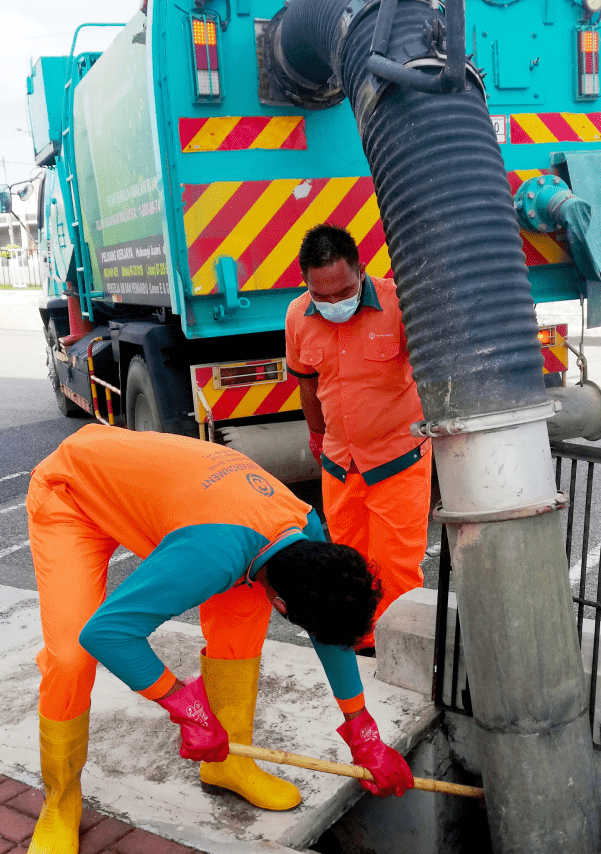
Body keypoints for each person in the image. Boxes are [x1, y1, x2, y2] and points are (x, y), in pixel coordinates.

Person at [26, 425, 413, 854]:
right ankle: (60, 799)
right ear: (283, 605)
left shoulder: (304, 526)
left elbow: (330, 630)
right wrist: (188, 708)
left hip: (171, 497)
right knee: (71, 659)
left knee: (240, 627)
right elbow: (106, 633)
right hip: (72, 492)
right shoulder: (211, 555)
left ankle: (228, 765)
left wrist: (363, 730)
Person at [284, 224, 432, 655]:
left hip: (397, 460)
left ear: (361, 270)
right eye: (321, 296)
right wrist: (316, 436)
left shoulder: (398, 304)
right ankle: (362, 648)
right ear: (306, 284)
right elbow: (307, 382)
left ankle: (402, 654)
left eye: (343, 291)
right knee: (347, 565)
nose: (333, 303)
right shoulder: (297, 315)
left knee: (397, 568)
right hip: (339, 464)